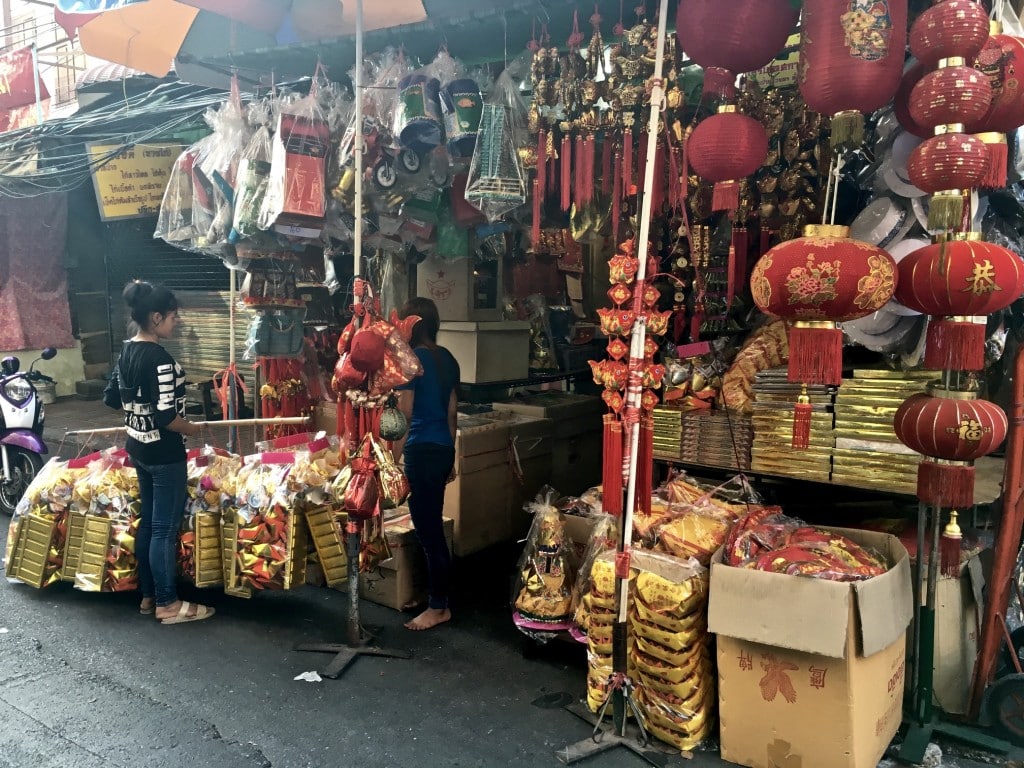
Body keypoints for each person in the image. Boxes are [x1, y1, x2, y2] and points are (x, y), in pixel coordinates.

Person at [103, 281, 214, 625]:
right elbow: (167, 418)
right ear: (155, 317)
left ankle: (149, 596)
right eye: (172, 316)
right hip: (165, 456)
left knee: (150, 524)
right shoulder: (160, 358)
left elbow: (111, 398)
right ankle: (168, 603)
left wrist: (137, 404)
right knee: (164, 529)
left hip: (138, 449)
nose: (176, 321)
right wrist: (195, 429)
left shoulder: (126, 352)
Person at [393, 297, 460, 631]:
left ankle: (438, 606)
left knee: (429, 530)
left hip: (420, 450)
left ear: (411, 325)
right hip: (442, 448)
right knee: (430, 526)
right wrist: (452, 455)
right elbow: (451, 413)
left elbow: (405, 414)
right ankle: (433, 594)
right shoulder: (447, 358)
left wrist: (389, 460)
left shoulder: (411, 361)